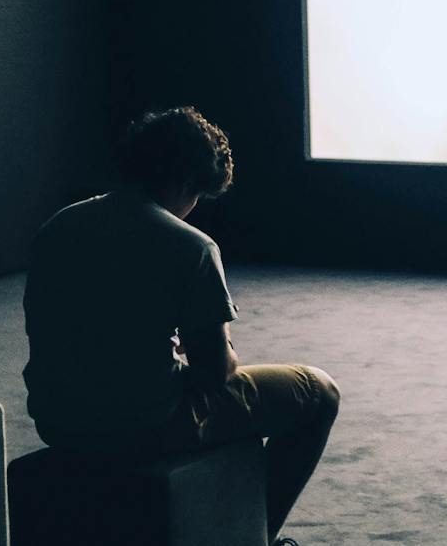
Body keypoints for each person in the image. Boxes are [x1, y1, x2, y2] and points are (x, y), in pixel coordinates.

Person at [23, 106, 339, 546]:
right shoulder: (190, 246)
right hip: (142, 424)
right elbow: (213, 372)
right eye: (197, 197)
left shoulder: (58, 227)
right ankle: (259, 536)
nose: (192, 211)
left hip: (58, 418)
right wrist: (224, 350)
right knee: (318, 392)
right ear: (188, 182)